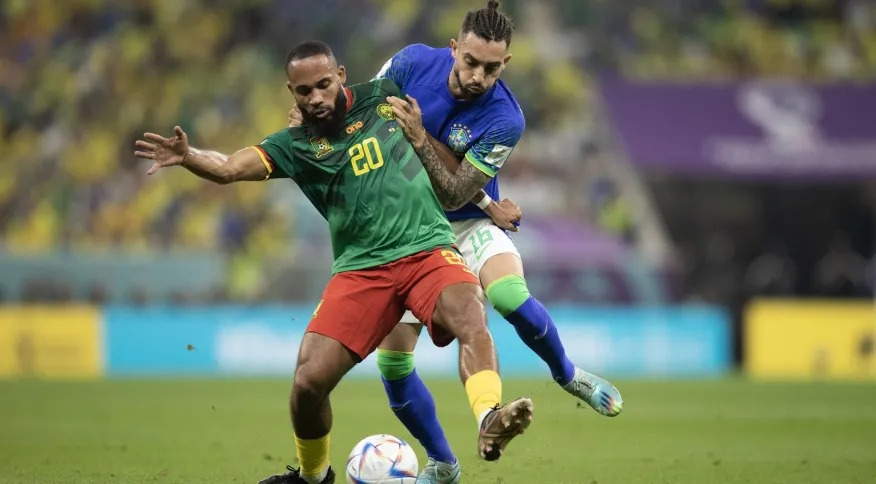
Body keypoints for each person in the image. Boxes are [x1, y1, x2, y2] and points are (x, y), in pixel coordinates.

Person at [133, 40, 533, 484]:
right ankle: (313, 477)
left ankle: (489, 419)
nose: (316, 97)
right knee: (307, 382)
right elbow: (229, 166)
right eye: (304, 92)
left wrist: (485, 201)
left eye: (324, 84)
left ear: (341, 75)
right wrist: (189, 157)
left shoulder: (383, 95)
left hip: (426, 249)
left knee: (470, 313)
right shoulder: (294, 145)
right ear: (292, 93)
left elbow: (451, 116)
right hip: (361, 270)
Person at [376, 2, 626, 481]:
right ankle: (442, 463)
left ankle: (568, 374)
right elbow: (364, 113)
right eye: (470, 62)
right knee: (392, 361)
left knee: (508, 294)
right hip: (409, 230)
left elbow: (454, 190)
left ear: (505, 64)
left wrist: (421, 139)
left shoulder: (506, 117)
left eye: (491, 68)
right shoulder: (409, 63)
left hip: (467, 222)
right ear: (453, 48)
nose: (477, 76)